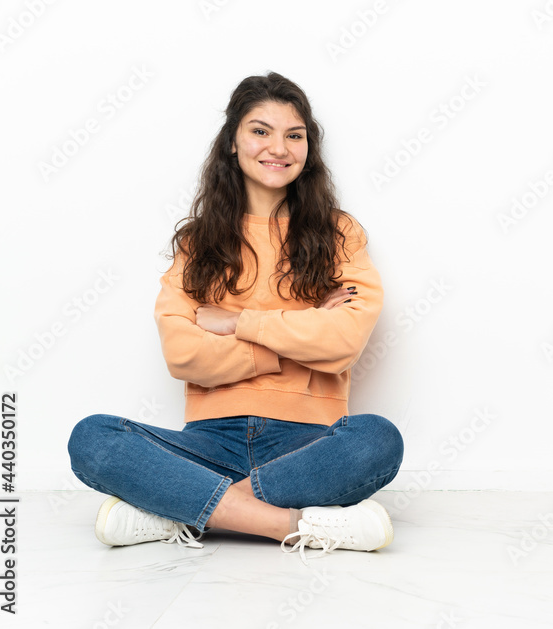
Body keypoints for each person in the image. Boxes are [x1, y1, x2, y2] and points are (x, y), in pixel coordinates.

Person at [66, 71, 404, 564]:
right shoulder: (196, 243)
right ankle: (288, 524)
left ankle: (180, 510)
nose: (279, 147)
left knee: (378, 440)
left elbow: (345, 340)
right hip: (210, 441)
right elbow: (183, 353)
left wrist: (236, 322)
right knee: (92, 437)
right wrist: (297, 333)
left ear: (309, 148)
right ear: (232, 141)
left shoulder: (340, 234)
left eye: (295, 135)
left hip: (308, 444)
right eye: (260, 131)